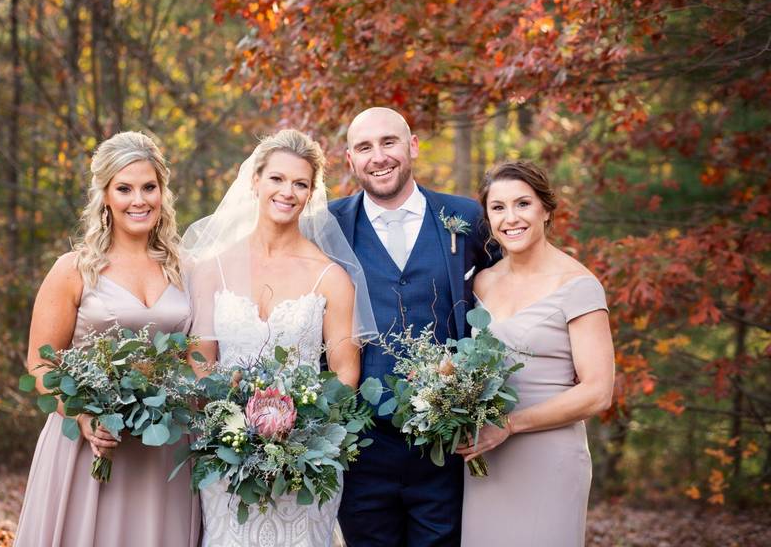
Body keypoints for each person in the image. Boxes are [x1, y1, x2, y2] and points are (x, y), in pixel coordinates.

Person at [184, 129, 375, 547]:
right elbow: (201, 364)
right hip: (226, 454)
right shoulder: (209, 269)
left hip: (303, 463)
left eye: (300, 183)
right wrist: (232, 430)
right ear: (255, 180)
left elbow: (346, 373)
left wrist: (298, 436)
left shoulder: (331, 276)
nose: (287, 191)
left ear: (311, 193)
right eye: (277, 178)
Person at [14, 131, 200, 547]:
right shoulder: (74, 269)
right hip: (91, 448)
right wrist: (82, 414)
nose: (140, 200)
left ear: (162, 192)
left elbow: (198, 357)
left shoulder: (187, 270)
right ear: (105, 196)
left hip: (164, 449)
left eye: (149, 187)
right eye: (125, 188)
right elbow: (41, 363)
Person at [330, 107, 497, 547]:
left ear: (413, 146)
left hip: (448, 445)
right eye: (364, 147)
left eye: (389, 142)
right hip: (361, 446)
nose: (378, 156)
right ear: (350, 160)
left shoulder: (468, 217)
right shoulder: (326, 227)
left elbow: (513, 290)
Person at [458, 160, 615, 547]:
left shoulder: (577, 285)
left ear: (546, 209)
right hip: (485, 462)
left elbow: (598, 391)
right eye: (498, 208)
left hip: (549, 456)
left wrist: (510, 425)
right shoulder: (482, 280)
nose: (511, 218)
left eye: (523, 204)